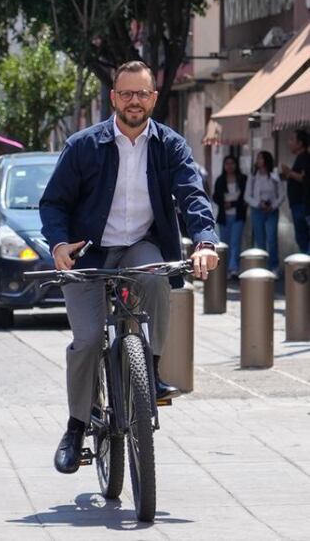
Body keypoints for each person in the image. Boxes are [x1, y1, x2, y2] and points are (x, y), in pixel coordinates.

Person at [39, 61, 218, 475]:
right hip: (89, 254)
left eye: (142, 94)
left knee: (156, 274)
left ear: (154, 98)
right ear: (113, 97)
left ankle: (150, 375)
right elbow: (54, 203)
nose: (134, 101)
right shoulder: (84, 145)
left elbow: (193, 196)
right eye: (126, 93)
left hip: (140, 245)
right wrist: (60, 244)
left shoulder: (170, 146)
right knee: (85, 341)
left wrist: (205, 242)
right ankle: (75, 427)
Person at [246, 150, 284, 269]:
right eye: (257, 158)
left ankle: (274, 266)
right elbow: (247, 196)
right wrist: (258, 204)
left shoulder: (274, 175)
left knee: (272, 239)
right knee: (260, 239)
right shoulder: (253, 176)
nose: (258, 161)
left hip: (272, 210)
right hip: (257, 210)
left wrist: (274, 205)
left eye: (261, 158)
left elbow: (282, 194)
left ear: (266, 160)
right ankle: (262, 266)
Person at [213, 155, 248, 277]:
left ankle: (234, 268)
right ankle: (225, 268)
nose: (229, 166)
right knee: (225, 242)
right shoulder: (220, 179)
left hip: (238, 215)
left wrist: (232, 204)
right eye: (227, 163)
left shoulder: (243, 179)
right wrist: (224, 204)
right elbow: (215, 196)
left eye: (232, 163)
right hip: (224, 216)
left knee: (235, 242)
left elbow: (245, 196)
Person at [280, 129, 310, 254]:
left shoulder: (305, 158)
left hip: (303, 205)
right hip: (298, 205)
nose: (289, 142)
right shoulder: (300, 158)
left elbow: (304, 178)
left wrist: (289, 173)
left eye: (292, 139)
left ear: (300, 143)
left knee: (303, 237)